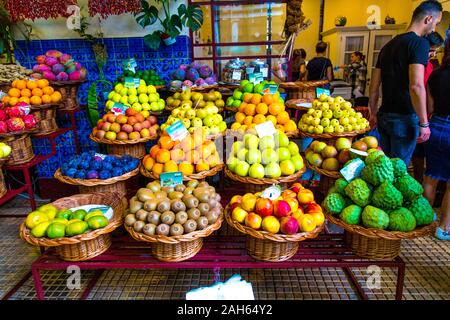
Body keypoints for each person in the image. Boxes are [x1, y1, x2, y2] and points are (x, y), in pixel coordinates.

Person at [368, 0, 442, 166]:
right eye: (436, 23)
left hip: (384, 116)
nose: (434, 29)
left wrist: (373, 113)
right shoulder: (420, 43)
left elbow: (373, 88)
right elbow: (416, 85)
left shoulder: (388, 46)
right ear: (428, 19)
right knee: (398, 173)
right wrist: (424, 122)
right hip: (405, 118)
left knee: (385, 169)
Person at [423, 39, 450, 240]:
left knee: (430, 176)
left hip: (436, 126)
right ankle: (444, 228)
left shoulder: (436, 74)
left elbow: (430, 108)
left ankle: (424, 219)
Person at [412, 31, 444, 183]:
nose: (432, 54)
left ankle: (419, 180)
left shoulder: (430, 66)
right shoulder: (415, 63)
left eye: (435, 51)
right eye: (431, 50)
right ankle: (417, 179)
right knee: (415, 152)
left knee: (422, 152)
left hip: (426, 114)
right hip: (415, 112)